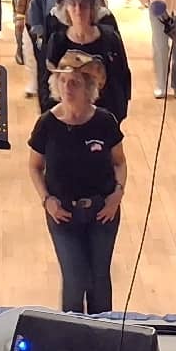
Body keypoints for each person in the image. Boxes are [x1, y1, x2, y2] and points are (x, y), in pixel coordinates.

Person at [28, 51, 129, 314]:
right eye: (63, 82)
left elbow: (119, 162)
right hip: (63, 213)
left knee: (99, 278)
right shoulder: (47, 124)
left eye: (74, 82)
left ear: (89, 88)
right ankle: (71, 344)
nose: (67, 88)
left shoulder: (105, 122)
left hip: (102, 212)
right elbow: (35, 167)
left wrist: (117, 194)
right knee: (74, 280)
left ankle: (104, 339)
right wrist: (46, 200)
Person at [43, 0, 133, 125]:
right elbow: (46, 85)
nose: (78, 10)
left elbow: (122, 78)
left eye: (84, 4)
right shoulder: (57, 41)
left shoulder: (110, 38)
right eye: (73, 4)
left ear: (92, 8)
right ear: (66, 8)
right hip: (67, 121)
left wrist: (115, 118)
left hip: (105, 120)